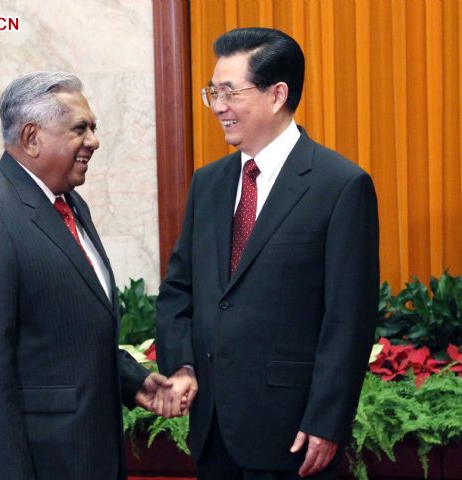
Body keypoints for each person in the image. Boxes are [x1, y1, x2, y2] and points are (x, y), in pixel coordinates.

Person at [154, 28, 379, 480]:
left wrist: (327, 420)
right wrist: (182, 364)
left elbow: (348, 318)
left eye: (229, 92)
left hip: (292, 435)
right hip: (213, 431)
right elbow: (180, 289)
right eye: (212, 92)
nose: (218, 106)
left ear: (277, 94)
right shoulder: (208, 183)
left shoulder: (340, 185)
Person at [0, 71, 171, 480]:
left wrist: (132, 381)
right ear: (31, 138)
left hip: (87, 456)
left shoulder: (70, 204)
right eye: (81, 128)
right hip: (35, 464)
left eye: (94, 127)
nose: (94, 140)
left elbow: (62, 335)